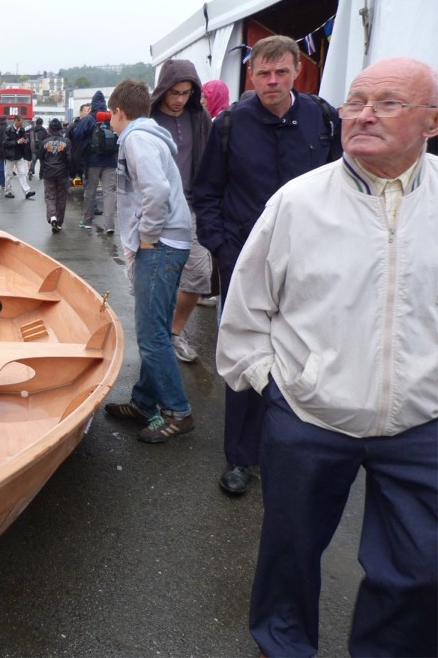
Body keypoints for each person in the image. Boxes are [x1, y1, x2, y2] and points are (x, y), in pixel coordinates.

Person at [217, 57, 438, 658]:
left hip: (422, 423)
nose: (363, 114)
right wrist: (273, 389)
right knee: (289, 559)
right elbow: (246, 309)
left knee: (420, 573)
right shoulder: (298, 202)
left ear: (431, 123)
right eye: (355, 101)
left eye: (388, 102)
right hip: (309, 417)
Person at [192, 35, 343, 496]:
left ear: (298, 70)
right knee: (246, 358)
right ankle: (240, 458)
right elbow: (206, 194)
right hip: (245, 263)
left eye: (280, 72)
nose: (272, 82)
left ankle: (302, 450)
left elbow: (344, 184)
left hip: (312, 264)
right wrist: (223, 248)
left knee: (310, 357)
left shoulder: (324, 119)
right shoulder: (230, 125)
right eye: (263, 74)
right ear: (251, 75)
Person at [102, 80, 194, 444]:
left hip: (161, 245)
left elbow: (156, 192)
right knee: (156, 327)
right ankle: (144, 402)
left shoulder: (137, 139)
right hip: (171, 242)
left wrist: (147, 238)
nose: (110, 122)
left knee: (152, 335)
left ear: (119, 112)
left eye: (111, 115)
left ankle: (177, 411)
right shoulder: (150, 135)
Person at [149, 59, 213, 364]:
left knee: (199, 274)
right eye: (173, 92)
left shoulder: (201, 118)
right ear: (162, 89)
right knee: (159, 279)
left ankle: (176, 330)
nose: (179, 99)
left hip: (193, 206)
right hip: (157, 210)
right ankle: (160, 337)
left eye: (186, 93)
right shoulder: (146, 119)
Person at [71, 92, 118, 231]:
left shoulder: (89, 118)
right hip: (110, 161)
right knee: (109, 193)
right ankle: (109, 225)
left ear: (92, 105)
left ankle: (87, 221)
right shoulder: (111, 117)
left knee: (90, 192)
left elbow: (77, 134)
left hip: (92, 162)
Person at [38, 118, 71, 233]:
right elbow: (69, 158)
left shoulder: (45, 142)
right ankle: (59, 222)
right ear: (61, 128)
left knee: (50, 195)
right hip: (62, 173)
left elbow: (41, 157)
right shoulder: (66, 141)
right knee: (61, 197)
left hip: (48, 173)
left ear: (50, 129)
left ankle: (52, 216)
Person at [1, 115, 34, 199]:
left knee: (22, 173)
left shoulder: (22, 130)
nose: (22, 124)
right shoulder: (8, 130)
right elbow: (5, 143)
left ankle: (27, 192)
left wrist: (25, 141)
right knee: (8, 174)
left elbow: (24, 139)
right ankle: (8, 191)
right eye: (21, 122)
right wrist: (17, 142)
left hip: (19, 155)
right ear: (16, 120)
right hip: (10, 156)